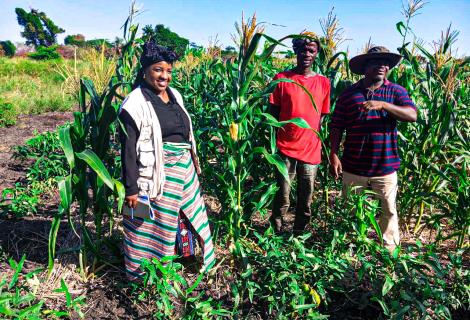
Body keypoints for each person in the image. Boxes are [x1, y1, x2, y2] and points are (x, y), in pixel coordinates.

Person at [119, 40, 215, 279]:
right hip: (154, 174)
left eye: (169, 71)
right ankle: (144, 273)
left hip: (183, 169)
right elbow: (128, 149)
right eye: (158, 70)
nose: (164, 76)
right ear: (145, 71)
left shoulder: (175, 95)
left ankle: (181, 259)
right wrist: (131, 189)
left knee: (184, 215)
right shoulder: (134, 103)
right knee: (149, 224)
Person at [329, 46, 418, 251]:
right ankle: (349, 249)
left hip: (385, 167)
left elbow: (412, 115)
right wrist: (334, 154)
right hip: (353, 166)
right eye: (376, 62)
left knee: (388, 212)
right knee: (351, 212)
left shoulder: (396, 91)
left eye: (386, 63)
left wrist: (384, 105)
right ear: (365, 67)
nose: (382, 66)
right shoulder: (349, 94)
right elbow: (336, 126)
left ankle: (389, 252)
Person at [269, 32, 331, 233]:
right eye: (302, 49)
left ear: (316, 54)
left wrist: (313, 137)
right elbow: (273, 115)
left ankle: (299, 233)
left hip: (311, 150)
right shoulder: (281, 79)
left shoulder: (324, 82)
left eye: (311, 50)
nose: (307, 53)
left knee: (306, 195)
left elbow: (322, 115)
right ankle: (276, 231)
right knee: (283, 194)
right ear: (295, 51)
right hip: (285, 147)